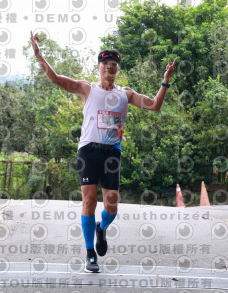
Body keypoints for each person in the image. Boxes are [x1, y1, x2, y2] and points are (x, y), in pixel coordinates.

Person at [30, 31, 176, 273]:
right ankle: (90, 253)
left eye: (114, 65)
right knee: (89, 199)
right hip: (88, 150)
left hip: (111, 153)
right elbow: (56, 79)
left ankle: (102, 228)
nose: (110, 67)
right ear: (99, 68)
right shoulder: (87, 89)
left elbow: (155, 105)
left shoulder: (125, 94)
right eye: (106, 64)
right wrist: (39, 55)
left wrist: (165, 81)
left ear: (117, 70)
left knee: (111, 206)